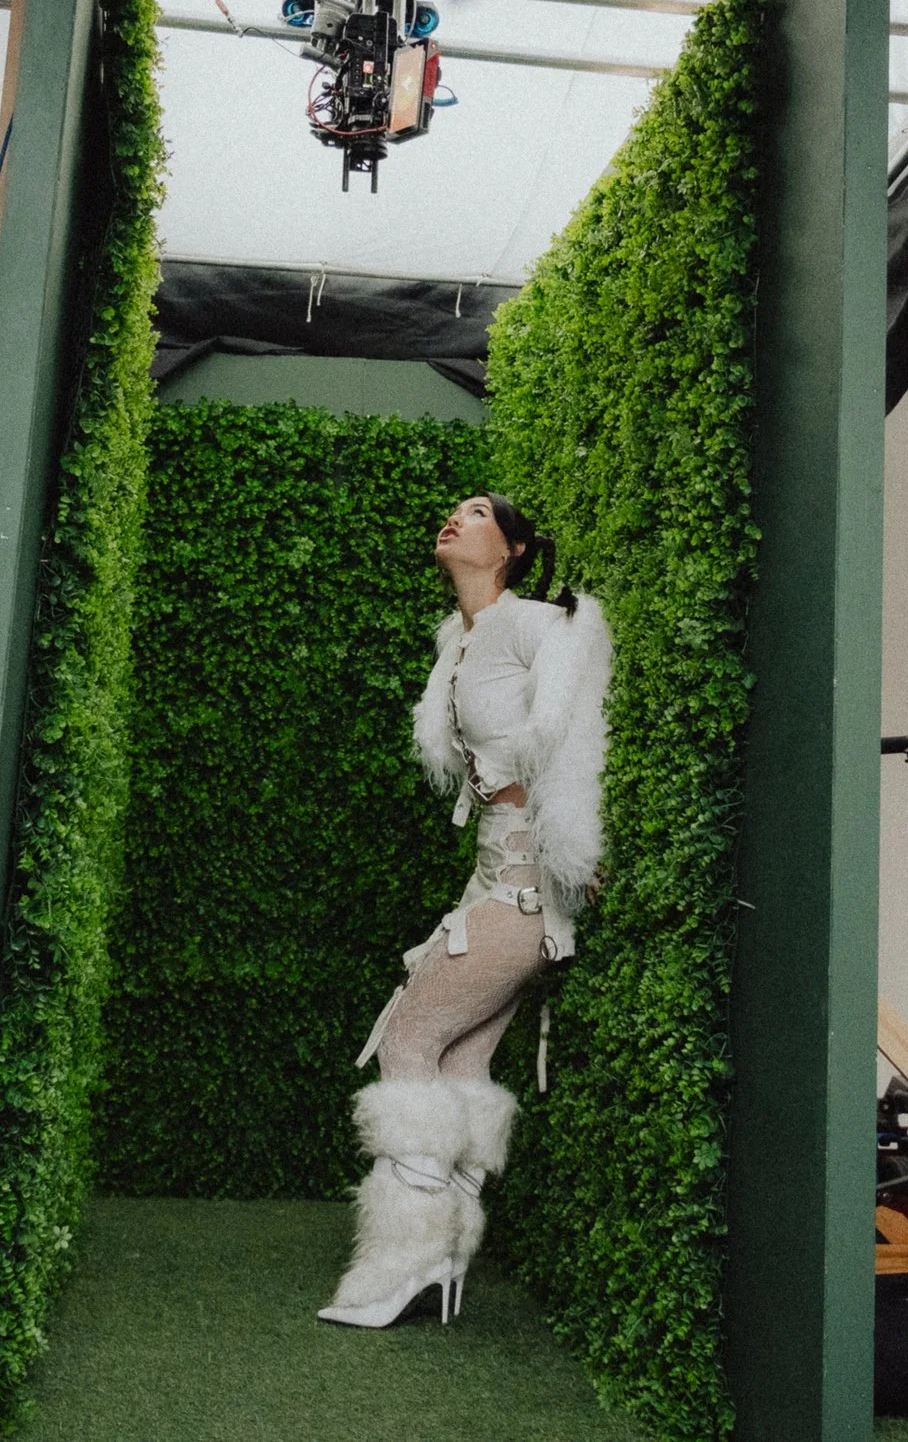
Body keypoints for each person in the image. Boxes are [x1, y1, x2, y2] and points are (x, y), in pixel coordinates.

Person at [316, 492, 613, 1330]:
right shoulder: (462, 638)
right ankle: (442, 1256)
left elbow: (576, 741)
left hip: (524, 885)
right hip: (489, 877)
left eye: (477, 512)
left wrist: (577, 851)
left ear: (513, 547)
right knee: (457, 1060)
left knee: (408, 1038)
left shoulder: (535, 625)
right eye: (452, 510)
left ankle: (402, 1258)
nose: (455, 517)